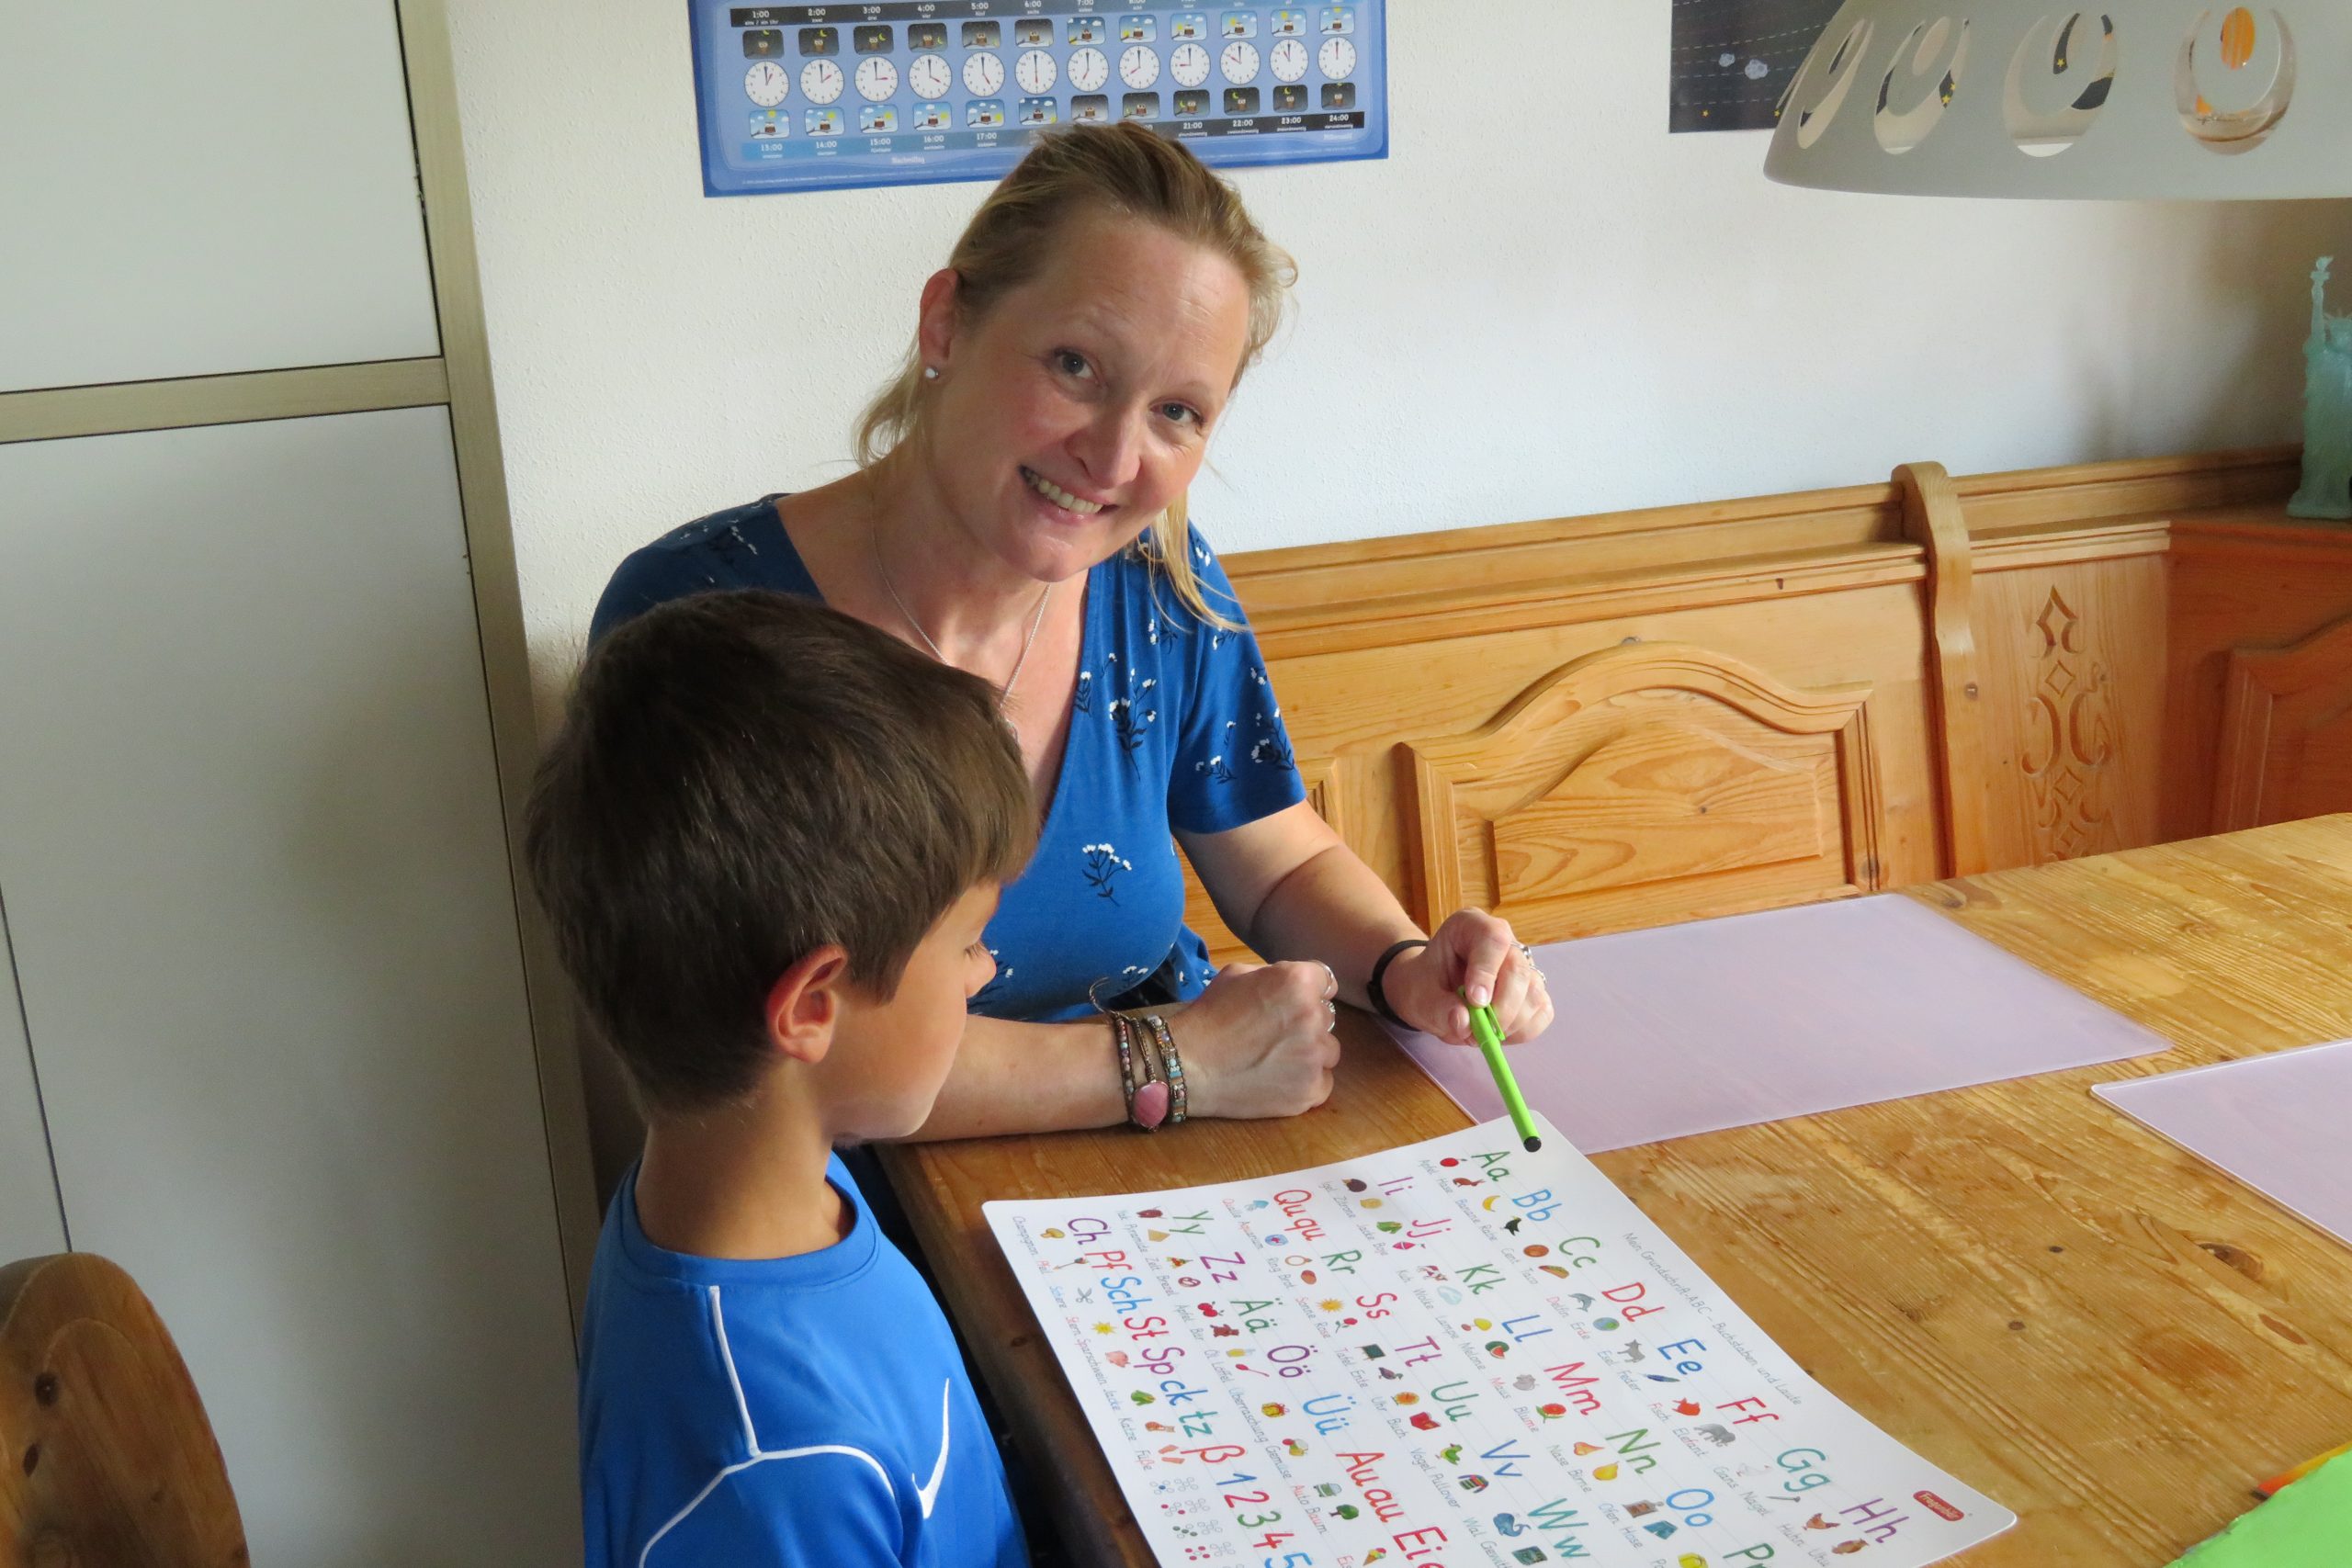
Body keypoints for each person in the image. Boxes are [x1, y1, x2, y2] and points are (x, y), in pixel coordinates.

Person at [593, 123, 1553, 1140]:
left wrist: (1404, 968)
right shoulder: (698, 621)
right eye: (1075, 366)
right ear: (946, 324)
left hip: (1154, 1193)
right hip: (865, 1232)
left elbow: (1272, 857)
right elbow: (751, 1055)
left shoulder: (1162, 588)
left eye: (1178, 411)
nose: (1110, 455)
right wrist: (1174, 1062)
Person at [526, 590, 1035, 1567]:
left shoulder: (771, 1179)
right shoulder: (772, 1473)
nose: (986, 972)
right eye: (968, 945)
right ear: (812, 1006)